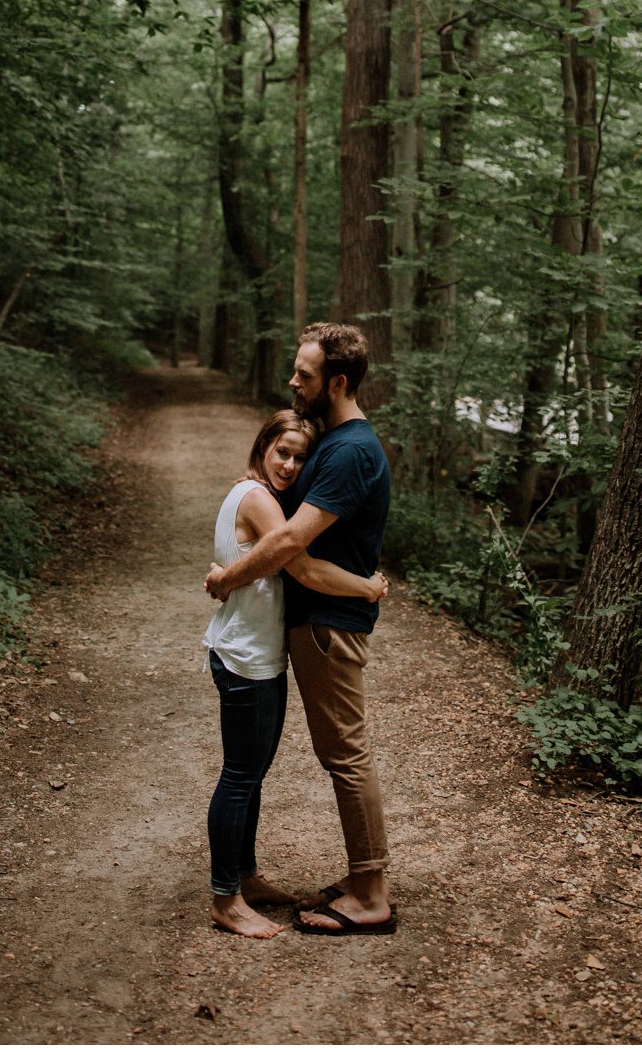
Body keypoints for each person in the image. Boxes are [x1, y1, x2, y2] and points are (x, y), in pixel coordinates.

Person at [206, 323, 395, 936]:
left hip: (329, 626)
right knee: (326, 754)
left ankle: (370, 889)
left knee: (345, 754)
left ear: (336, 383)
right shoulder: (335, 443)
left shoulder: (350, 450)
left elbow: (292, 544)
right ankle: (354, 877)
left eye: (304, 375)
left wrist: (228, 577)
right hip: (314, 623)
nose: (292, 381)